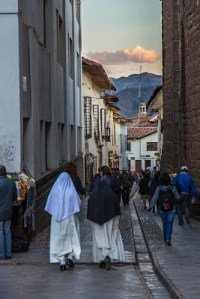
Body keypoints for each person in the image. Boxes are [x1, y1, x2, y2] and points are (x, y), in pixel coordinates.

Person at [87, 165, 125, 270]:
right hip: (111, 212)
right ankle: (108, 256)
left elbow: (91, 199)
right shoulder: (113, 183)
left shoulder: (97, 185)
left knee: (99, 237)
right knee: (111, 236)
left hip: (98, 215)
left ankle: (102, 258)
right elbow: (118, 194)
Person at [45, 172, 81, 271]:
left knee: (59, 240)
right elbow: (77, 203)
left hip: (57, 219)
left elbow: (50, 203)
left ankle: (62, 262)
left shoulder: (55, 190)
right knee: (71, 238)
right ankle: (69, 257)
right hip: (69, 218)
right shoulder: (71, 190)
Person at [148, 173, 180, 246]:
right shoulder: (173, 187)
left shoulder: (158, 188)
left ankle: (165, 238)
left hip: (162, 208)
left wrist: (150, 206)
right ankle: (168, 238)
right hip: (172, 208)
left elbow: (155, 198)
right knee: (170, 223)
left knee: (165, 223)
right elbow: (177, 198)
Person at [0, 165, 17, 260]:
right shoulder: (11, 182)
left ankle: (1, 254)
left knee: (0, 232)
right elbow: (14, 197)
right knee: (7, 231)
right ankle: (8, 253)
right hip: (9, 211)